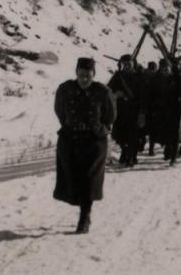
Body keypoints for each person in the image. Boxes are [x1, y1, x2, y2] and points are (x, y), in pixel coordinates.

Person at [53, 57, 116, 234]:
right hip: (70, 139)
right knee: (73, 177)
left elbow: (110, 115)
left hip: (94, 141)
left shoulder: (103, 92)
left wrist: (99, 128)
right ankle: (82, 207)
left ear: (94, 75)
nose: (84, 79)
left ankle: (85, 217)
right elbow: (59, 110)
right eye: (81, 75)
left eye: (88, 75)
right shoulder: (65, 89)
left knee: (90, 178)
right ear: (76, 74)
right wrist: (70, 124)